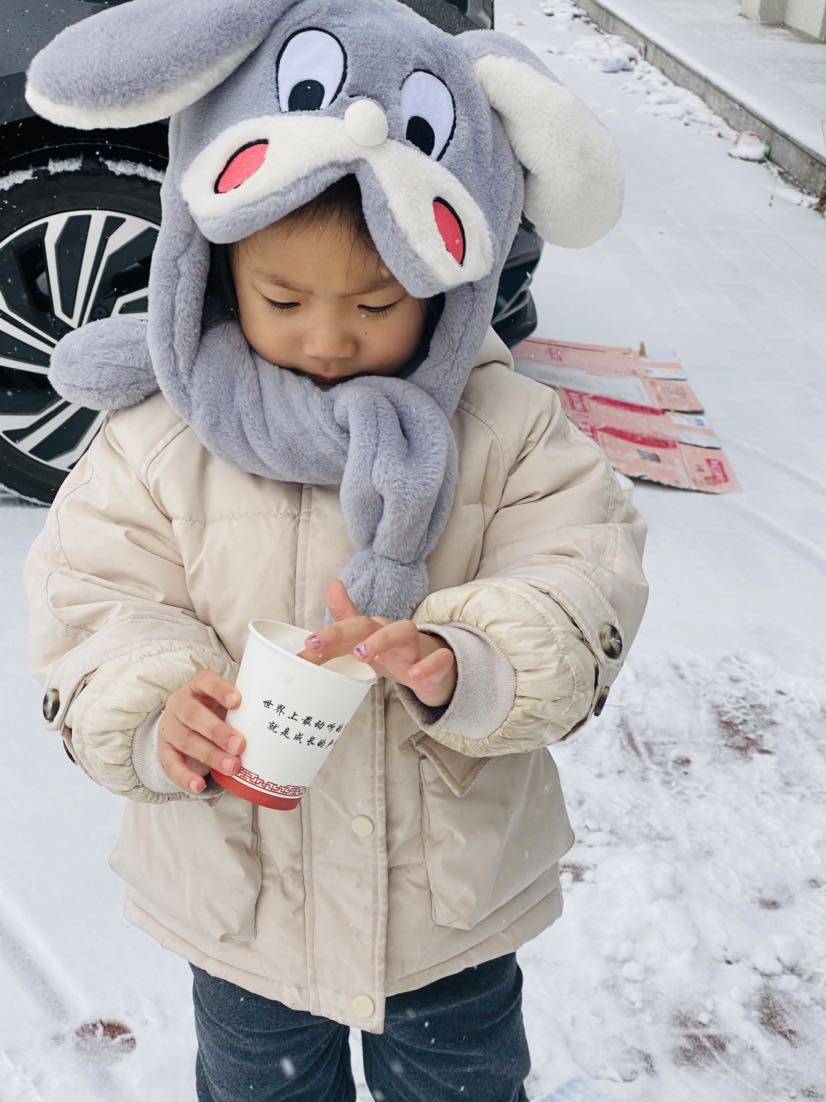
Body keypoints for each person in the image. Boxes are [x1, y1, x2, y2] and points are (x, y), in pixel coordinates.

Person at [23, 1, 649, 1099]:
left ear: (446, 285)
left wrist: (470, 658)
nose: (327, 336)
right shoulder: (159, 439)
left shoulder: (503, 429)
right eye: (283, 297)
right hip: (243, 909)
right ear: (213, 266)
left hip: (446, 913)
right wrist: (156, 703)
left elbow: (582, 566)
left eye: (375, 302)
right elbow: (94, 597)